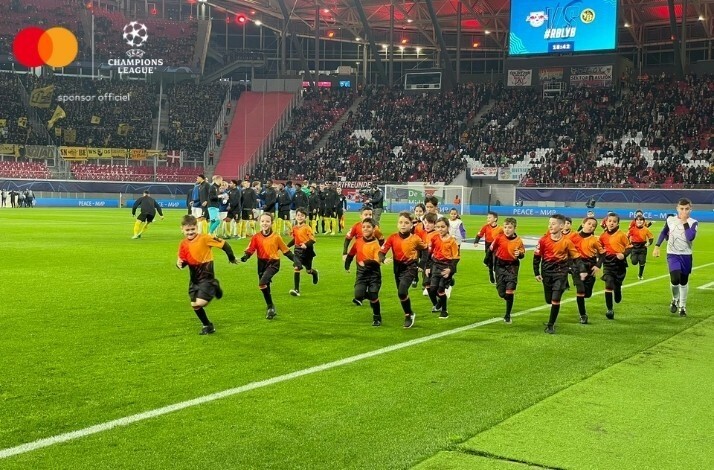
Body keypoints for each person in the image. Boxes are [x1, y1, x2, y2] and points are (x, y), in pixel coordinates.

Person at [176, 214, 237, 335]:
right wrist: (179, 263)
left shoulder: (205, 238)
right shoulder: (183, 244)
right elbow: (183, 262)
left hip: (206, 276)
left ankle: (214, 285)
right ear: (182, 229)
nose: (190, 232)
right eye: (187, 230)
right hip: (194, 278)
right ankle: (207, 325)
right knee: (194, 304)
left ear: (197, 228)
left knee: (201, 302)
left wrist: (231, 257)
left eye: (192, 229)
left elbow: (224, 244)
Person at [240, 213, 302, 320]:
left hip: (273, 264)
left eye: (267, 221)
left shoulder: (276, 237)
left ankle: (270, 307)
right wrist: (246, 256)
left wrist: (296, 261)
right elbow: (251, 249)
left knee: (262, 283)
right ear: (260, 223)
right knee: (265, 286)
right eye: (263, 221)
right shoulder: (256, 237)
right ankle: (270, 307)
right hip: (261, 264)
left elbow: (286, 251)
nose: (265, 223)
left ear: (272, 223)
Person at [533, 214, 587, 334]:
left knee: (555, 299)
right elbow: (536, 257)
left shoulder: (567, 242)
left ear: (561, 226)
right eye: (549, 223)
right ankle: (552, 318)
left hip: (560, 273)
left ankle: (551, 325)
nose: (550, 226)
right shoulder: (543, 240)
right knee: (549, 300)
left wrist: (582, 270)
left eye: (553, 224)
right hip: (546, 273)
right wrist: (536, 272)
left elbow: (577, 257)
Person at [379, 212, 427, 328]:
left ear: (411, 225)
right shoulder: (392, 237)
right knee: (402, 294)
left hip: (410, 267)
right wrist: (383, 259)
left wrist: (421, 264)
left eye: (406, 223)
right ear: (397, 224)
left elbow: (425, 250)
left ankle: (408, 315)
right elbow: (381, 252)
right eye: (400, 222)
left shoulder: (415, 239)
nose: (403, 225)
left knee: (402, 291)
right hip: (397, 268)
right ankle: (410, 312)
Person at [653, 198, 698, 317]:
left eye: (687, 209)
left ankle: (682, 306)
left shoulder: (693, 222)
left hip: (686, 255)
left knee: (683, 281)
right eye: (682, 209)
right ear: (677, 208)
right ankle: (674, 298)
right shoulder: (670, 220)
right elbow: (664, 232)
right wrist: (657, 246)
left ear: (690, 209)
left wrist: (684, 222)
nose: (684, 211)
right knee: (674, 278)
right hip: (672, 254)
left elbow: (690, 237)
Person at [345, 217, 384, 326]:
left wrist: (366, 262)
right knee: (358, 295)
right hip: (361, 274)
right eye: (363, 227)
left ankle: (377, 317)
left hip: (374, 275)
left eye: (368, 227)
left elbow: (376, 263)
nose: (365, 229)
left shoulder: (376, 245)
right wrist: (347, 264)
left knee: (373, 294)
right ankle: (371, 298)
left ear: (374, 229)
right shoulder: (358, 242)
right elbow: (351, 254)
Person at [489, 217, 525, 324]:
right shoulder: (499, 238)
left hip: (512, 267)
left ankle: (507, 314)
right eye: (505, 227)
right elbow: (491, 249)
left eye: (510, 227)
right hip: (500, 266)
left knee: (510, 291)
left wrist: (520, 254)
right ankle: (505, 296)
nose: (507, 230)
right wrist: (488, 262)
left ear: (514, 228)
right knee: (502, 293)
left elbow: (522, 254)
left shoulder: (518, 241)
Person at [569, 216, 604, 324]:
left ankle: (585, 297)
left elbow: (603, 254)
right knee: (580, 290)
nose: (591, 227)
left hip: (590, 267)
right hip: (577, 267)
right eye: (589, 224)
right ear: (583, 224)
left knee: (587, 294)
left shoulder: (594, 240)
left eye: (593, 226)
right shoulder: (573, 237)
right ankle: (583, 315)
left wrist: (598, 265)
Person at [599, 212, 632, 320]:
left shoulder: (621, 235)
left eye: (614, 221)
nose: (611, 223)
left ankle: (618, 290)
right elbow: (599, 248)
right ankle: (609, 309)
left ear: (618, 223)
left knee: (616, 284)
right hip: (608, 263)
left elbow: (629, 247)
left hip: (619, 264)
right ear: (606, 222)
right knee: (608, 283)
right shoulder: (603, 236)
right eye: (610, 221)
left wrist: (624, 254)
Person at [427, 216, 459, 319]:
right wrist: (428, 266)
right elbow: (430, 253)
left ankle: (444, 310)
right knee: (432, 290)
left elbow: (456, 257)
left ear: (448, 227)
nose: (440, 229)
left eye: (442, 227)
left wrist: (451, 269)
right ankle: (440, 301)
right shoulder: (434, 238)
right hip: (436, 265)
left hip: (447, 266)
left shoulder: (452, 241)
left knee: (440, 289)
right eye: (438, 227)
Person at [288, 207, 319, 297]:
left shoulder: (307, 228)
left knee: (308, 270)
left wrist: (306, 244)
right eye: (298, 215)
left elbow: (313, 240)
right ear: (296, 216)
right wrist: (286, 247)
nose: (300, 217)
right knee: (297, 267)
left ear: (305, 217)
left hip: (307, 251)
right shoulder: (294, 228)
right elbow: (294, 239)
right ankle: (296, 290)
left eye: (302, 216)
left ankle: (314, 272)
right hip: (297, 250)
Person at [474, 211, 503, 284]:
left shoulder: (500, 228)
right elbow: (479, 234)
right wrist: (476, 241)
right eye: (487, 217)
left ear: (495, 219)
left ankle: (496, 275)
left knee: (495, 261)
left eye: (490, 217)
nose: (488, 219)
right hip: (488, 245)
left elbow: (503, 237)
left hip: (496, 246)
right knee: (490, 263)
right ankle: (491, 275)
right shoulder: (485, 227)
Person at [628, 215, 654, 280]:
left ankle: (640, 275)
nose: (639, 221)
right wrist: (628, 244)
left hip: (643, 247)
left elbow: (651, 237)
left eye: (641, 220)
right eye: (638, 220)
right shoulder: (632, 229)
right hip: (634, 247)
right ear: (635, 221)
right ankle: (632, 256)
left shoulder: (646, 229)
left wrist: (649, 243)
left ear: (643, 221)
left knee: (642, 261)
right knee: (634, 262)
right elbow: (626, 237)